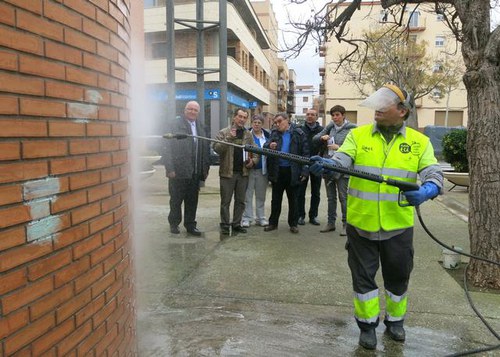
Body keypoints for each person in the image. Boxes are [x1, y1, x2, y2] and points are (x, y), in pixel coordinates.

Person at [309, 84, 443, 350]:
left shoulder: (419, 142)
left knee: (398, 278)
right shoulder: (358, 136)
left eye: (385, 106)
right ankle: (367, 326)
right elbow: (342, 161)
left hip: (398, 226)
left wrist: (429, 190)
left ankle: (395, 322)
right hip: (361, 225)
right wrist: (328, 165)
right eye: (377, 105)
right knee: (363, 280)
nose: (378, 110)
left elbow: (433, 173)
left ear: (402, 112)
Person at [162, 101, 210, 236]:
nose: (192, 112)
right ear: (184, 110)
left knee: (192, 200)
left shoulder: (201, 126)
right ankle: (174, 223)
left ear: (198, 112)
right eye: (190, 109)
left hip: (195, 172)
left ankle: (190, 225)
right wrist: (169, 168)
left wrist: (205, 168)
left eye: (195, 110)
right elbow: (166, 148)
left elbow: (205, 149)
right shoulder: (174, 124)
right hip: (178, 171)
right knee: (176, 200)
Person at [213, 108, 258, 235]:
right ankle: (225, 224)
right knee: (225, 201)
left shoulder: (248, 135)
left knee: (240, 201)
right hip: (227, 173)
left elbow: (255, 152)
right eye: (240, 116)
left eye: (245, 117)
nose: (242, 119)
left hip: (243, 173)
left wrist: (253, 161)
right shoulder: (223, 132)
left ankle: (237, 224)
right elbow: (217, 149)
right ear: (234, 117)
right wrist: (229, 138)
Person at [313, 105, 357, 235]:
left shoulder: (353, 129)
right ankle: (331, 223)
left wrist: (340, 147)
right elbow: (314, 139)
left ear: (343, 115)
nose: (335, 117)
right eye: (333, 115)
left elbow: (356, 146)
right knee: (331, 197)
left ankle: (346, 224)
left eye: (337, 115)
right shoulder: (330, 127)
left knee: (343, 197)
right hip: (328, 166)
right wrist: (322, 138)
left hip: (344, 168)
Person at [263, 113, 309, 234]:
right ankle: (273, 223)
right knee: (275, 199)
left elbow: (305, 153)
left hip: (293, 171)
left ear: (287, 120)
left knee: (293, 199)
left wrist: (305, 170)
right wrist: (270, 145)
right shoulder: (274, 133)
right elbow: (265, 146)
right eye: (275, 122)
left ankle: (293, 224)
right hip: (278, 171)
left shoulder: (298, 133)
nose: (277, 124)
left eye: (279, 121)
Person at [241, 114, 270, 227]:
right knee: (247, 195)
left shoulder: (267, 137)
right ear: (251, 123)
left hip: (262, 171)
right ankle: (247, 218)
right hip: (249, 170)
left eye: (259, 123)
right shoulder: (246, 135)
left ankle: (261, 218)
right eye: (255, 122)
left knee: (261, 195)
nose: (257, 124)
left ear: (262, 124)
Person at [297, 109, 323, 226]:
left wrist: (321, 157)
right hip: (303, 163)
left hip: (317, 164)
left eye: (313, 114)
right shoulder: (300, 129)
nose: (310, 116)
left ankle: (313, 216)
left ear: (317, 117)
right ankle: (300, 215)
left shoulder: (322, 130)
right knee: (300, 191)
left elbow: (325, 147)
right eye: (308, 114)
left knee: (316, 192)